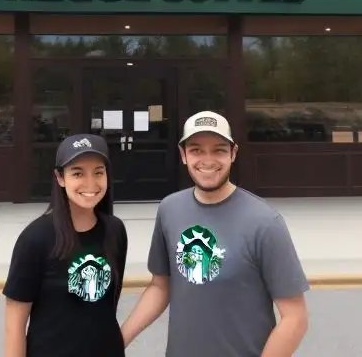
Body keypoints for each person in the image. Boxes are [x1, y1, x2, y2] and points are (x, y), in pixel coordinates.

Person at [120, 111, 310, 357]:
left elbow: (295, 318)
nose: (207, 160)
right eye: (197, 150)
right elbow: (160, 286)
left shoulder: (264, 222)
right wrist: (118, 339)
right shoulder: (170, 209)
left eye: (219, 150)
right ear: (183, 155)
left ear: (233, 153)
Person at [3, 133, 128, 357]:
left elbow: (107, 308)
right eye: (77, 173)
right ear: (60, 178)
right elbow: (14, 326)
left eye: (98, 172)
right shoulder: (35, 238)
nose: (90, 183)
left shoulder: (115, 231)